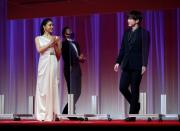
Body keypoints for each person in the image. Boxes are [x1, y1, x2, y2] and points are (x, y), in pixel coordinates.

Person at [114, 10, 150, 121]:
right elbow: (123, 49)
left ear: (137, 20)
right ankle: (136, 105)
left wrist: (144, 64)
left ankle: (132, 115)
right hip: (127, 64)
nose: (128, 20)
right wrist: (118, 62)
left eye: (130, 18)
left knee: (135, 89)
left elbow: (145, 49)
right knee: (122, 87)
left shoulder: (144, 33)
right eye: (128, 18)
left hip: (138, 65)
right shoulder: (126, 33)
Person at [35, 18, 61, 121]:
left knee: (52, 85)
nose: (52, 27)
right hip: (43, 62)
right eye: (50, 25)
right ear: (44, 27)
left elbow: (59, 56)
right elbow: (39, 50)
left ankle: (53, 113)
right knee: (43, 86)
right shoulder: (38, 38)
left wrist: (55, 45)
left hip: (53, 60)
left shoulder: (56, 38)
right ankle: (42, 113)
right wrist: (50, 43)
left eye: (52, 25)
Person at [61, 27, 86, 119]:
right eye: (68, 31)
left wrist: (81, 58)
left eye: (71, 31)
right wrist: (77, 58)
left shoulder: (75, 43)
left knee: (78, 92)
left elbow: (78, 55)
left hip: (77, 69)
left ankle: (65, 111)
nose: (70, 32)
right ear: (64, 34)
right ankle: (71, 113)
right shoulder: (63, 44)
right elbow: (66, 58)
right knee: (71, 92)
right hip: (69, 69)